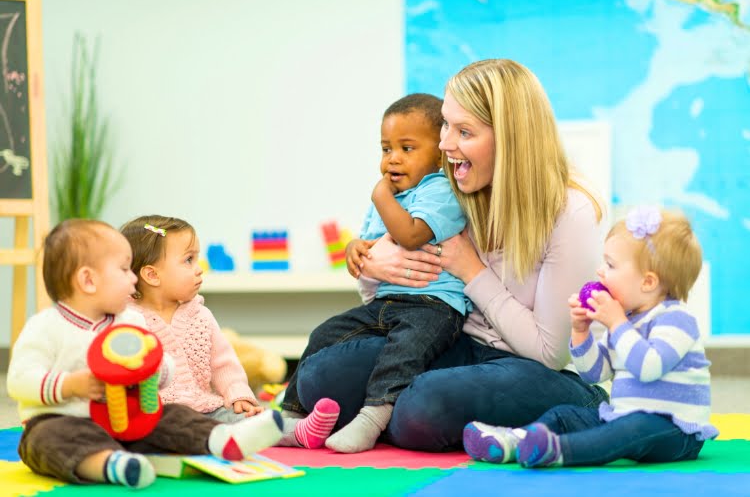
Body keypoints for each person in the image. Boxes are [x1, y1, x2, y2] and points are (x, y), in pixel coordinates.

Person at [290, 58, 610, 452]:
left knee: (422, 407)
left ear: (510, 138)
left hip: (526, 365)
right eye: (445, 124)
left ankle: (585, 404)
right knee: (319, 377)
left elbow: (548, 351)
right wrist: (373, 266)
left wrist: (472, 270)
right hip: (452, 344)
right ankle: (411, 421)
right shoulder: (452, 193)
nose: (444, 144)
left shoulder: (570, 213)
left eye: (463, 131)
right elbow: (393, 305)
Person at [7, 219, 283, 489]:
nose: (133, 277)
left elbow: (160, 365)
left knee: (172, 415)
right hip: (67, 421)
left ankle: (221, 439)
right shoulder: (45, 326)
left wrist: (155, 370)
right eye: (125, 270)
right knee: (43, 439)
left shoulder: (129, 322)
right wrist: (69, 385)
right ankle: (110, 464)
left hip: (127, 421)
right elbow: (19, 379)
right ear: (88, 280)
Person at [281, 93, 469, 453]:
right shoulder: (389, 195)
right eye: (386, 149)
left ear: (440, 151)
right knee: (326, 333)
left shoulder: (442, 190)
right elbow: (370, 245)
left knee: (402, 352)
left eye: (407, 148)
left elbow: (411, 234)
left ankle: (372, 418)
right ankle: (292, 415)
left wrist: (380, 195)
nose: (393, 158)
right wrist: (355, 248)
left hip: (433, 305)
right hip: (385, 300)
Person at [463, 206, 718, 467]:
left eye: (610, 265)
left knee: (634, 427)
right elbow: (595, 374)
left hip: (674, 429)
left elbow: (648, 367)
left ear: (648, 282)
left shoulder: (675, 320)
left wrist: (617, 323)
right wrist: (581, 331)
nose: (600, 271)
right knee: (565, 415)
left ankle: (558, 451)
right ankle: (516, 441)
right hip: (623, 418)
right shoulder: (625, 321)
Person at [121, 215, 339, 448]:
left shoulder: (200, 316)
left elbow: (223, 364)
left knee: (246, 419)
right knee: (173, 429)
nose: (199, 269)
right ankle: (220, 441)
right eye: (188, 260)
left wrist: (238, 394)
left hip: (207, 408)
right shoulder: (127, 321)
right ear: (152, 275)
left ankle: (298, 431)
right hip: (158, 415)